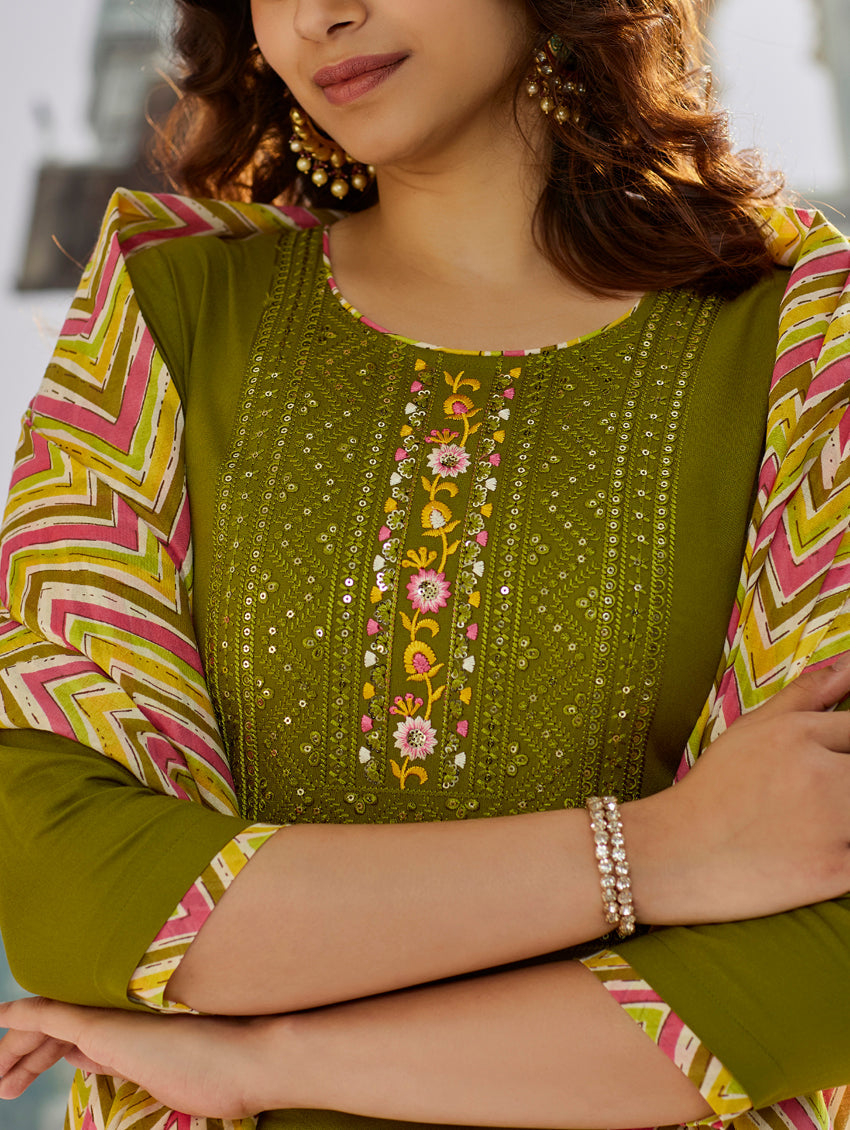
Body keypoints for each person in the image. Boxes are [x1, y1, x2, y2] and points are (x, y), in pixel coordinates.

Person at [0, 1, 849, 1128]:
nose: (318, 14)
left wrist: (257, 1058)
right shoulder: (173, 312)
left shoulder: (799, 339)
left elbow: (819, 965)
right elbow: (72, 886)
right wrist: (659, 853)